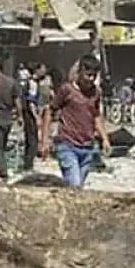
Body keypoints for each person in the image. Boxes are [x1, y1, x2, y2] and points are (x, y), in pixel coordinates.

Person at [41, 54, 112, 187]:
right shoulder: (67, 90)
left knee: (77, 188)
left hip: (87, 148)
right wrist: (44, 140)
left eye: (94, 76)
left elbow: (96, 116)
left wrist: (105, 139)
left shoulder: (95, 93)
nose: (90, 79)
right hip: (67, 145)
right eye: (88, 75)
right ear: (80, 72)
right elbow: (49, 111)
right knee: (75, 184)